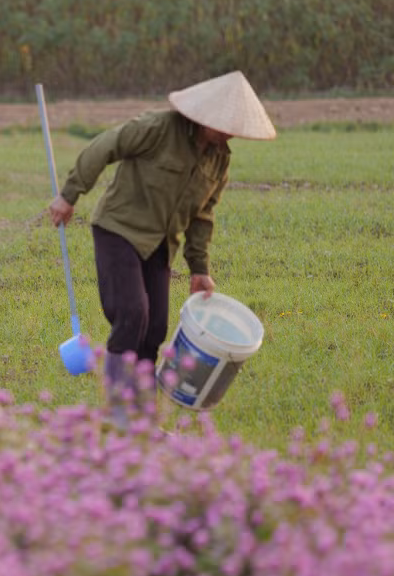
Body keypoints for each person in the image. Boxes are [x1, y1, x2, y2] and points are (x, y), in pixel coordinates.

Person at [46, 70, 276, 405]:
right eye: (224, 124)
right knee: (132, 313)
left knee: (154, 328)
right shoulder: (158, 128)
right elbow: (105, 145)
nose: (229, 134)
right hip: (119, 229)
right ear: (205, 115)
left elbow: (202, 216)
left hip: (160, 245)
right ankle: (119, 413)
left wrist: (199, 268)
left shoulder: (219, 158)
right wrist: (69, 195)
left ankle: (142, 416)